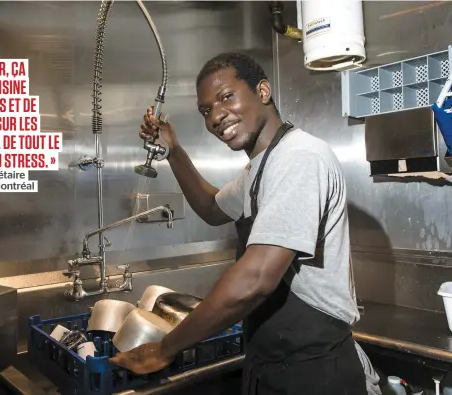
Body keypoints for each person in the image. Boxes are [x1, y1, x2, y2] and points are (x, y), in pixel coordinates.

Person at [109, 52, 381, 395]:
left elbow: (256, 278)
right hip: (274, 360)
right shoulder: (261, 168)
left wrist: (165, 349)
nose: (216, 117)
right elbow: (211, 207)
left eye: (226, 97)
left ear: (262, 92)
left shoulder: (299, 157)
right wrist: (174, 151)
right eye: (206, 110)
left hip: (314, 370)